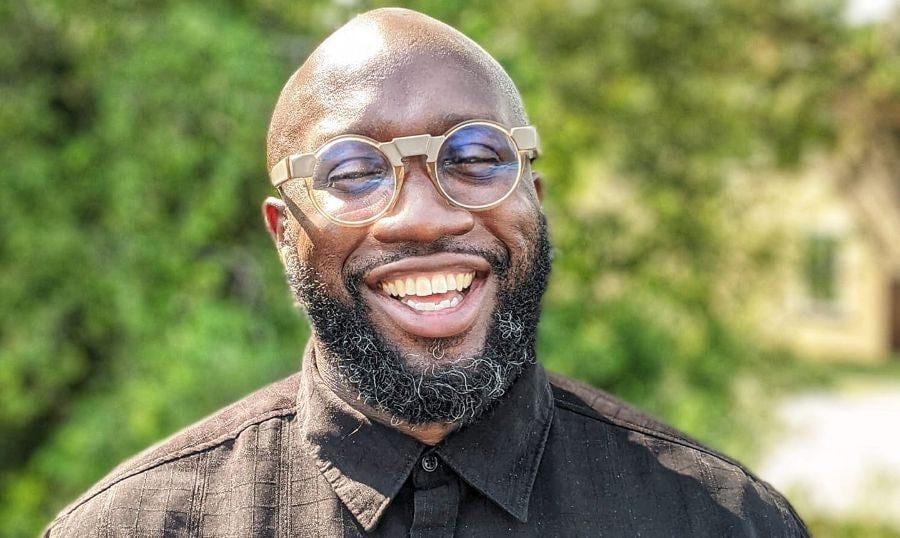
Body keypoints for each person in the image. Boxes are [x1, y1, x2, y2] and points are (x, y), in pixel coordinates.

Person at [45, 8, 807, 537]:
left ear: (534, 201)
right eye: (352, 172)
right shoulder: (133, 526)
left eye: (474, 157)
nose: (423, 218)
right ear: (283, 234)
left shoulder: (722, 521)